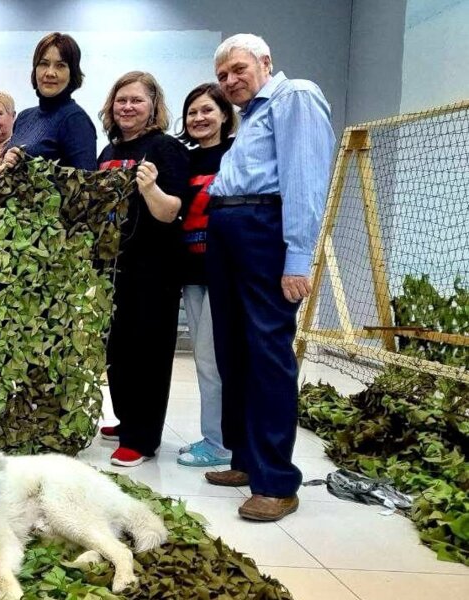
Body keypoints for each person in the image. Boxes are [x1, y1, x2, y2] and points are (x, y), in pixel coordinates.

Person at [202, 34, 335, 522]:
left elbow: (305, 177)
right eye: (222, 76)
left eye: (238, 69)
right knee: (234, 350)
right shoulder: (253, 116)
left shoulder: (294, 96)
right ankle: (245, 460)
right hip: (232, 230)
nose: (230, 81)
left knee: (267, 354)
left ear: (265, 62)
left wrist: (298, 257)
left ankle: (277, 482)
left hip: (263, 230)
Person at [95, 71, 189, 468]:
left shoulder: (166, 149)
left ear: (153, 106)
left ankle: (143, 437)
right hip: (115, 266)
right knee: (117, 348)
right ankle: (127, 419)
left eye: (136, 100)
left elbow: (171, 212)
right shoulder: (108, 151)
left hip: (155, 268)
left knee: (147, 350)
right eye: (121, 100)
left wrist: (148, 187)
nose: (127, 107)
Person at [174, 83, 237, 468]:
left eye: (207, 111)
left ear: (225, 115)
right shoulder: (185, 160)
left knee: (215, 360)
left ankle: (221, 444)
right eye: (192, 112)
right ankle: (213, 436)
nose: (199, 118)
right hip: (192, 272)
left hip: (225, 272)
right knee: (203, 357)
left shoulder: (237, 154)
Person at [0, 32, 97, 172]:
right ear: (35, 70)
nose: (50, 73)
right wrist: (6, 162)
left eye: (60, 65)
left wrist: (29, 166)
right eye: (44, 64)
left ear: (72, 73)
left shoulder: (75, 120)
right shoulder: (24, 117)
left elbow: (86, 185)